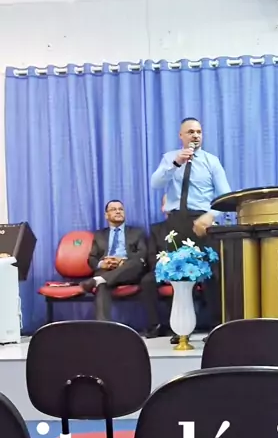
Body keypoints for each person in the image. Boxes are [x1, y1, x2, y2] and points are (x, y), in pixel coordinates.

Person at [151, 117, 231, 341]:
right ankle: (182, 329)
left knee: (212, 276)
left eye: (198, 132)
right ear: (181, 136)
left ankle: (216, 328)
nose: (195, 135)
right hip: (176, 221)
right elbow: (155, 183)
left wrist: (210, 216)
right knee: (179, 274)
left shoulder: (211, 161)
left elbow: (226, 196)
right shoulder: (169, 158)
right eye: (190, 132)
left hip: (203, 222)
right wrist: (175, 163)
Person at [80, 200, 148, 320]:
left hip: (128, 270)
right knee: (102, 285)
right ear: (106, 215)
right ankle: (103, 327)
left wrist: (122, 261)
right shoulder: (99, 235)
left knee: (137, 263)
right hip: (107, 270)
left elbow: (142, 254)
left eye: (120, 209)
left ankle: (98, 280)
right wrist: (102, 264)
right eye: (113, 209)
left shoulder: (137, 232)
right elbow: (92, 258)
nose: (118, 212)